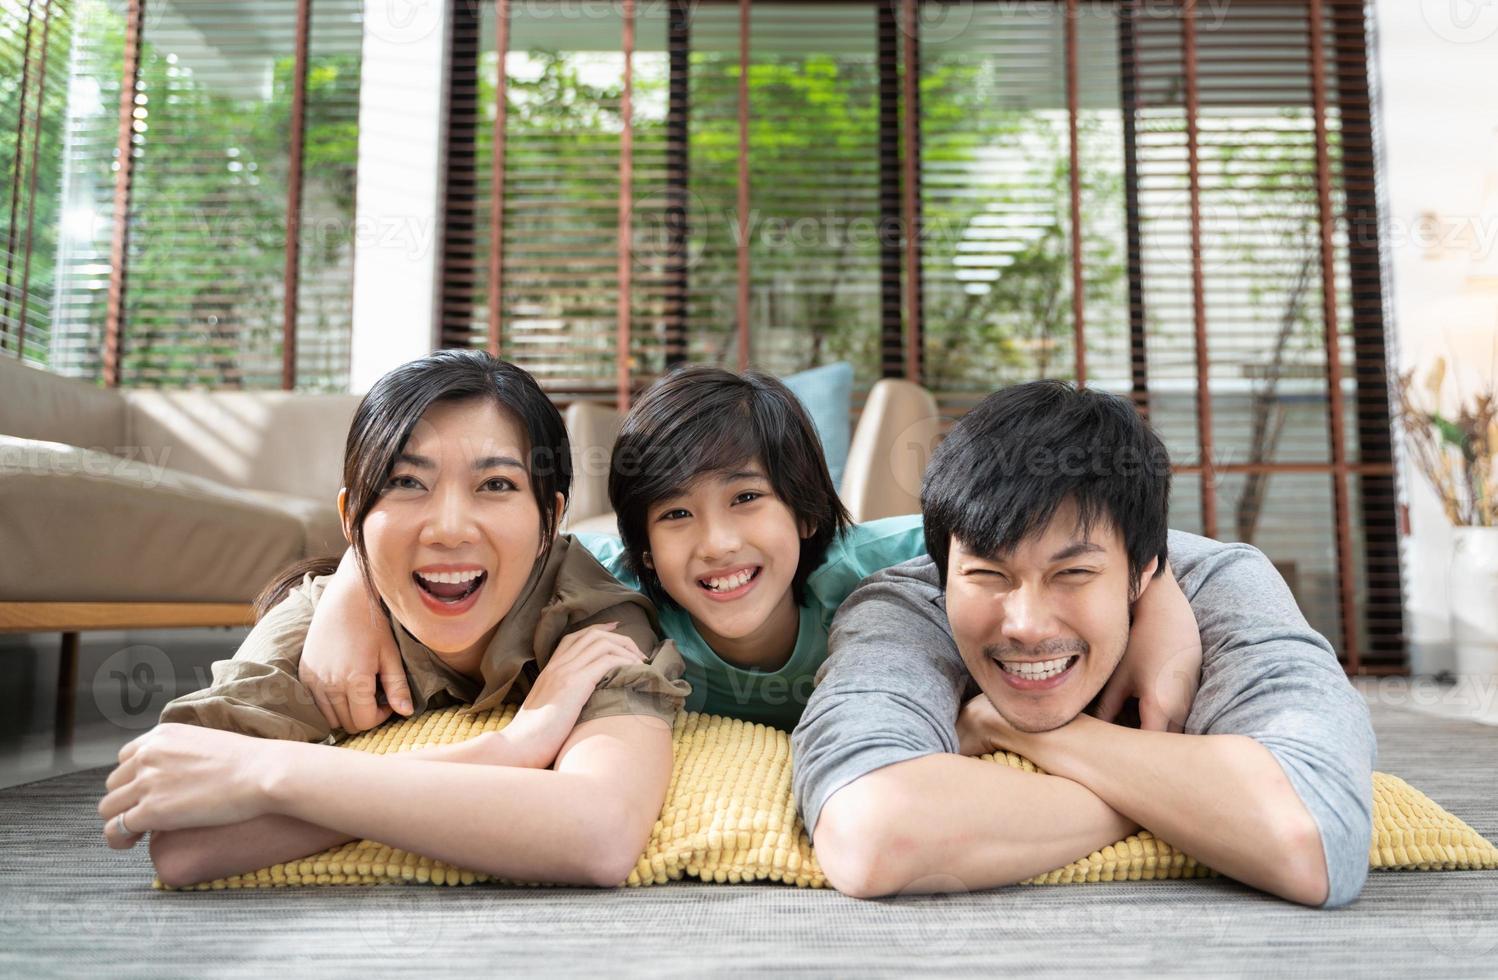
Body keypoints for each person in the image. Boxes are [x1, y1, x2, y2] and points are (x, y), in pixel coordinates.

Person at [297, 368, 1204, 732]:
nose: (719, 544)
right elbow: (483, 553)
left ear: (808, 513)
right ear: (643, 543)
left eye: (747, 500)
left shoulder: (876, 564)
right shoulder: (612, 593)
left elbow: (1091, 542)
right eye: (677, 515)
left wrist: (1158, 613)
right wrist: (348, 586)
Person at [97, 350, 689, 888]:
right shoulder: (317, 625)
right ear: (352, 517)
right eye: (407, 482)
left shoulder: (594, 620)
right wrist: (512, 747)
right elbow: (185, 848)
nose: (450, 528)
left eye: (496, 484)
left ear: (550, 518)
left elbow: (599, 834)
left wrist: (268, 775)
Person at [792, 380, 1377, 908]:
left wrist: (1008, 726)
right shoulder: (906, 602)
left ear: (1144, 574)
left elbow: (1317, 835)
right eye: (988, 576)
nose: (1026, 625)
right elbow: (871, 834)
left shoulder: (1222, 584)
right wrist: (1191, 807)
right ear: (941, 569)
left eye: (1072, 575)